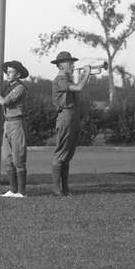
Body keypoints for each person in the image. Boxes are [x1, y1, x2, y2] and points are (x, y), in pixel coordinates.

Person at [50, 50, 91, 197]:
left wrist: (82, 76)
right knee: (61, 153)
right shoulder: (60, 80)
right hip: (66, 115)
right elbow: (79, 88)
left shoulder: (67, 79)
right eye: (70, 63)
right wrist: (86, 74)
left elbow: (76, 87)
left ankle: (65, 189)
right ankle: (57, 189)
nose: (73, 65)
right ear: (61, 66)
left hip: (72, 115)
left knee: (67, 155)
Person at [0, 60, 29, 197]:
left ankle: (21, 192)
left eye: (11, 72)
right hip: (8, 123)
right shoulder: (8, 87)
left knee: (19, 158)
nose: (7, 75)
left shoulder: (20, 88)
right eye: (7, 72)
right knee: (7, 158)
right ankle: (13, 189)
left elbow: (4, 101)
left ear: (18, 74)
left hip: (17, 123)